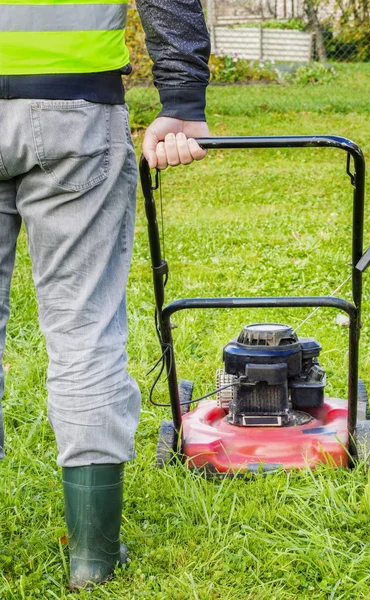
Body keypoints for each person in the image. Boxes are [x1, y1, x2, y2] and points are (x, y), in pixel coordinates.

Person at [0, 0, 210, 589]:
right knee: (83, 325)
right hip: (75, 107)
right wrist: (183, 100)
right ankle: (91, 558)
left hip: (75, 100)